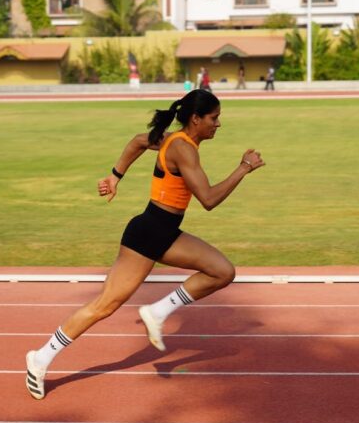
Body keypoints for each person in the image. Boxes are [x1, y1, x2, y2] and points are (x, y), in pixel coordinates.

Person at [25, 89, 265, 400]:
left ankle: (159, 311)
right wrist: (243, 168)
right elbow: (208, 199)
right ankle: (41, 357)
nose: (218, 124)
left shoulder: (173, 141)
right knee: (104, 306)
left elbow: (139, 141)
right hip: (147, 234)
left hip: (164, 231)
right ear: (196, 119)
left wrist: (115, 176)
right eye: (214, 118)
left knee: (222, 271)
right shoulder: (184, 150)